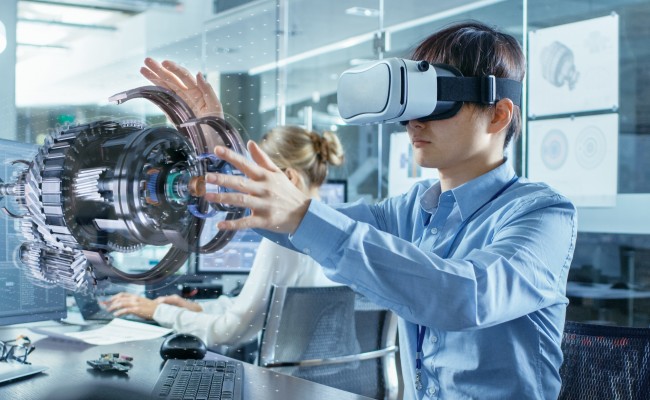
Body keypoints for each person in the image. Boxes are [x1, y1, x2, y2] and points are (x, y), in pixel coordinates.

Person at [182, 21, 578, 399]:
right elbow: (290, 225)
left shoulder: (543, 214)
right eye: (410, 105)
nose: (413, 122)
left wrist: (304, 215)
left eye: (437, 101)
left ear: (498, 114)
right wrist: (221, 154)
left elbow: (465, 296)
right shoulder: (409, 211)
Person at [105, 74, 346, 347]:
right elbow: (252, 311)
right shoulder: (337, 230)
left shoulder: (287, 240)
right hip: (327, 381)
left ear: (288, 179)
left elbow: (228, 332)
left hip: (286, 385)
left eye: (258, 178)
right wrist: (195, 308)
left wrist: (157, 311)